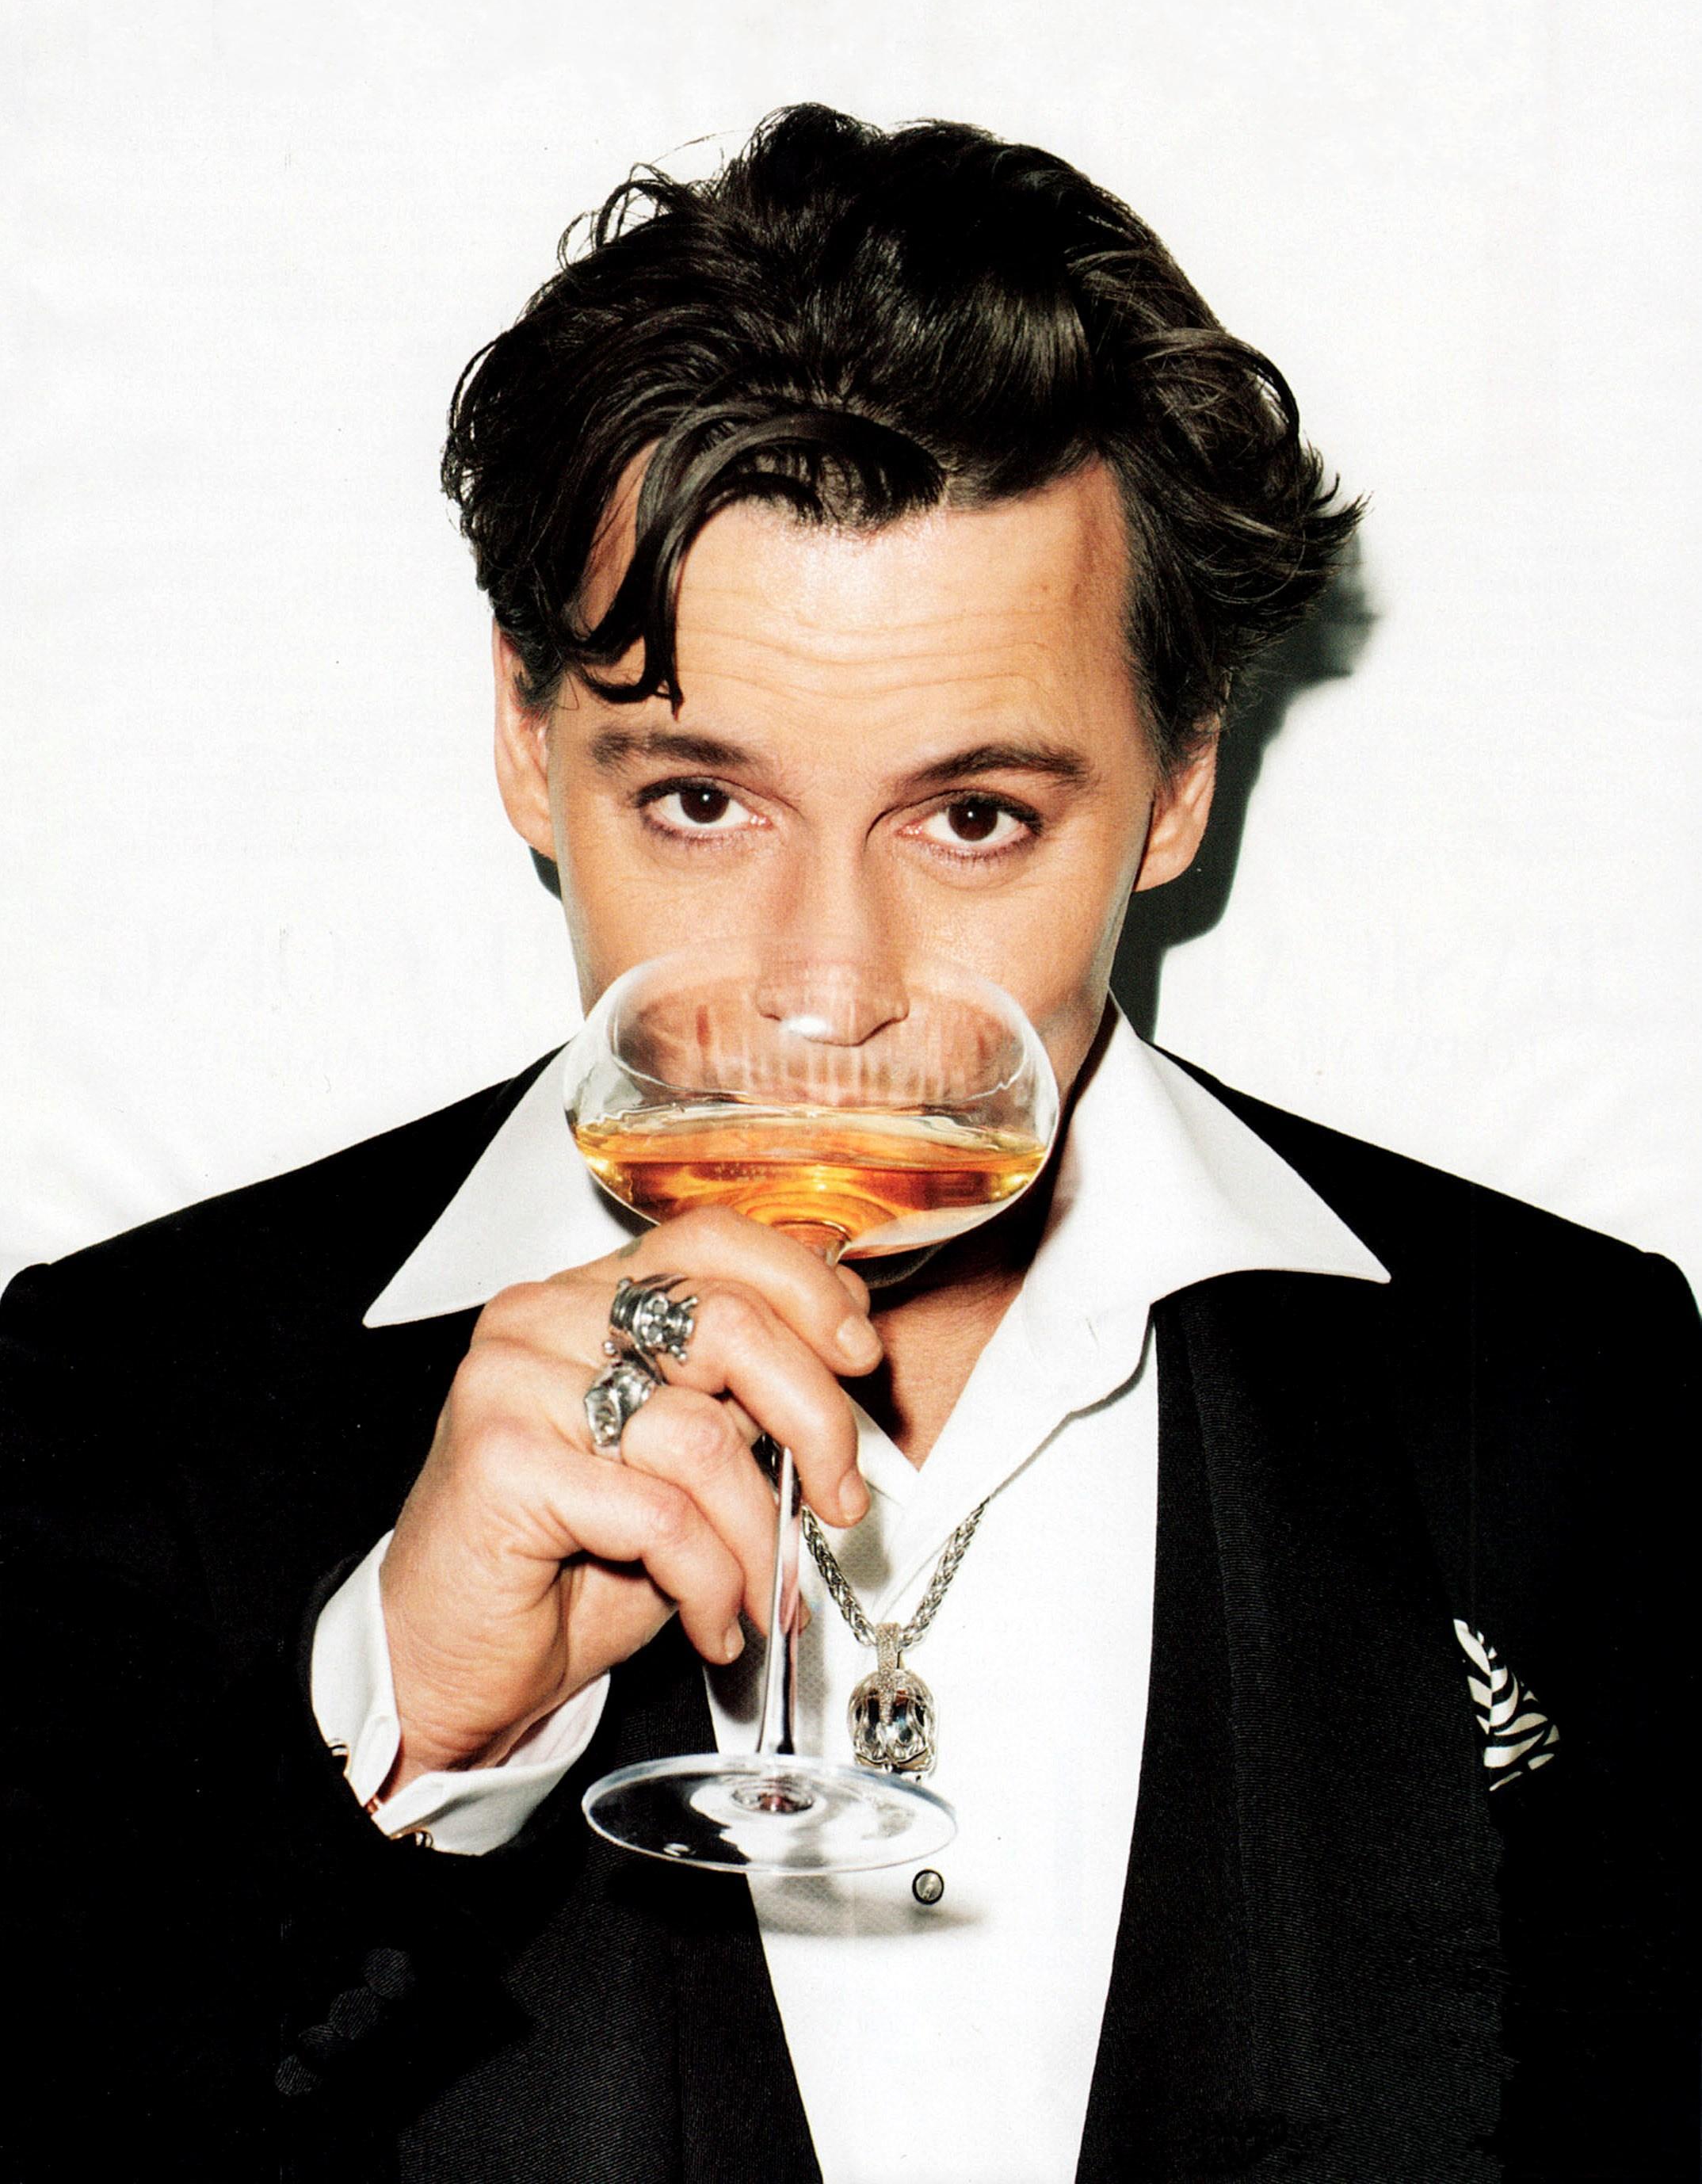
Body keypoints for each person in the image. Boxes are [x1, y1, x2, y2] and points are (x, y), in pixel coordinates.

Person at [2, 105, 1694, 2184]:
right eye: (702, 802)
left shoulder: (1570, 1395)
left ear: (1178, 786)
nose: (825, 991)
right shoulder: (126, 1399)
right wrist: (404, 1734)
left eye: (970, 816)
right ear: (529, 742)